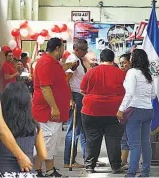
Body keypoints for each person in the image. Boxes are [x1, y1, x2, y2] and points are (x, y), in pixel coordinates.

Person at [32, 38, 76, 177]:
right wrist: (54, 107)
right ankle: (41, 171)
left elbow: (59, 68)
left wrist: (70, 65)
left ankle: (44, 170)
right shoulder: (45, 63)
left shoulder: (52, 63)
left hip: (52, 112)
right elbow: (45, 88)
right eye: (62, 49)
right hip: (46, 111)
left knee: (50, 142)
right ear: (57, 48)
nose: (63, 52)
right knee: (46, 142)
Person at [80, 49, 126, 174]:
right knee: (114, 140)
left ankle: (90, 165)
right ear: (113, 59)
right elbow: (126, 92)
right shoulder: (120, 73)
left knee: (92, 139)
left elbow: (82, 89)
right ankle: (116, 166)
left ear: (101, 59)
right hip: (115, 111)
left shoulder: (91, 72)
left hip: (91, 110)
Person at [117, 49, 156, 178]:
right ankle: (145, 173)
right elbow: (153, 95)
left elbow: (130, 93)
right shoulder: (148, 73)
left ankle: (131, 174)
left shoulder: (132, 72)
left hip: (135, 110)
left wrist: (121, 109)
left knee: (134, 145)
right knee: (145, 143)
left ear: (134, 59)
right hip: (148, 110)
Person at [0, 82, 47, 175]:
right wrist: (34, 165)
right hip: (27, 172)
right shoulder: (34, 126)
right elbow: (43, 155)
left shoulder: (2, 126)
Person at [63, 39, 88, 169]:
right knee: (74, 130)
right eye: (84, 49)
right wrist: (70, 98)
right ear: (76, 49)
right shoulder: (73, 61)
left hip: (81, 97)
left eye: (86, 48)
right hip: (76, 96)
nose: (86, 51)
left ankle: (87, 157)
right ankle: (69, 160)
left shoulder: (79, 60)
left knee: (83, 130)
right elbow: (65, 80)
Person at [118, 52, 131, 170]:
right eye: (120, 63)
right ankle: (122, 160)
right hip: (119, 109)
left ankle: (124, 161)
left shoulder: (132, 76)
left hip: (129, 109)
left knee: (126, 136)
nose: (122, 65)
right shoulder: (117, 75)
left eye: (124, 63)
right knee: (121, 136)